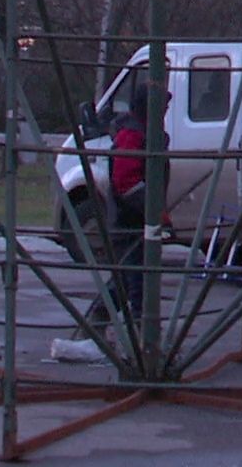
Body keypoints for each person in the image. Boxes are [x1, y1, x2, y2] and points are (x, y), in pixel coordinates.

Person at [85, 83, 153, 333]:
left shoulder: (145, 132)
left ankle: (100, 320)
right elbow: (126, 182)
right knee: (135, 280)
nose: (167, 109)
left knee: (128, 278)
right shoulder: (132, 135)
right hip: (129, 220)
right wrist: (154, 211)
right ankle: (141, 339)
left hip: (136, 218)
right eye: (163, 104)